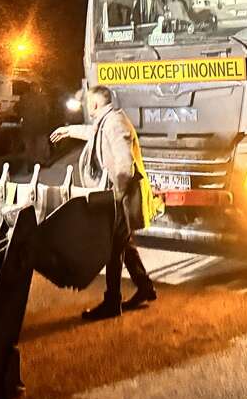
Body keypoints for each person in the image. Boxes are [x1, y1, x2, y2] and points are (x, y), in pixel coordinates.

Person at [51, 86, 157, 320]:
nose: (87, 106)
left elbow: (124, 166)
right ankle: (145, 287)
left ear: (95, 104)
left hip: (119, 197)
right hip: (117, 196)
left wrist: (116, 196)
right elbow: (94, 133)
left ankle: (112, 303)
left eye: (89, 102)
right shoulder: (107, 122)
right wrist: (69, 131)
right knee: (124, 245)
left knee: (112, 249)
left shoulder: (115, 123)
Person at [17, 81, 51, 166]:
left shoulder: (24, 98)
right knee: (41, 145)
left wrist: (23, 116)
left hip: (27, 127)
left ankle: (30, 163)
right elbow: (47, 111)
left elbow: (17, 109)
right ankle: (41, 162)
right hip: (40, 126)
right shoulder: (42, 98)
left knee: (29, 146)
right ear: (37, 88)